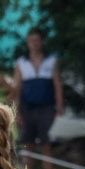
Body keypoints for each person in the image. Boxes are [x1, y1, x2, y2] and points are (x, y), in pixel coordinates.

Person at [13, 31, 64, 159]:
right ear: (27, 43)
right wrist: (16, 110)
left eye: (37, 40)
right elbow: (17, 88)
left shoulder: (52, 60)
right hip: (27, 107)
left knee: (46, 143)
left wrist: (59, 108)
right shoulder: (21, 62)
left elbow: (57, 85)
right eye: (31, 41)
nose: (34, 44)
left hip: (46, 107)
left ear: (42, 42)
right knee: (27, 144)